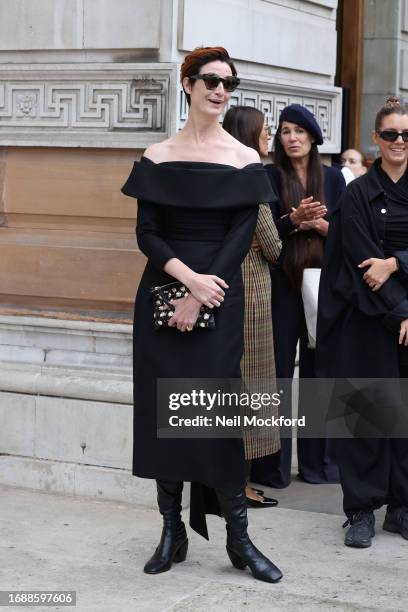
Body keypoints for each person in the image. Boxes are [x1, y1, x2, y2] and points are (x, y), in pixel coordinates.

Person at [121, 46, 282, 582]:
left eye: (229, 84)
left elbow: (241, 235)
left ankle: (239, 539)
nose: (220, 91)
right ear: (187, 83)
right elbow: (147, 232)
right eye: (210, 80)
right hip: (165, 296)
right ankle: (172, 532)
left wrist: (200, 291)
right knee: (163, 418)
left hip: (219, 294)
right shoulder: (158, 154)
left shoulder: (244, 158)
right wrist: (185, 281)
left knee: (215, 419)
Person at [317, 95, 408, 548]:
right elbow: (359, 265)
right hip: (368, 318)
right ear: (376, 138)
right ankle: (361, 511)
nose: (399, 141)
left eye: (406, 135)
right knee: (367, 416)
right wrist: (399, 311)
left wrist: (397, 263)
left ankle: (402, 508)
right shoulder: (356, 194)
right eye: (390, 133)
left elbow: (384, 264)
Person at [251, 104, 345, 488]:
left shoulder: (336, 179)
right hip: (280, 285)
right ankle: (269, 468)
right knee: (274, 377)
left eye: (300, 132)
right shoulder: (269, 176)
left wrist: (320, 224)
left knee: (319, 375)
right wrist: (294, 220)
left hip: (324, 286)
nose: (292, 138)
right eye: (285, 131)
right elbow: (261, 234)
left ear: (313, 138)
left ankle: (318, 465)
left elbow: (349, 236)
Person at [222, 106, 282, 508]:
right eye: (264, 130)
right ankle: (238, 485)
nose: (270, 136)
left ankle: (231, 482)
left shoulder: (218, 175)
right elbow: (274, 246)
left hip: (223, 287)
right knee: (250, 387)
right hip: (252, 293)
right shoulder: (250, 177)